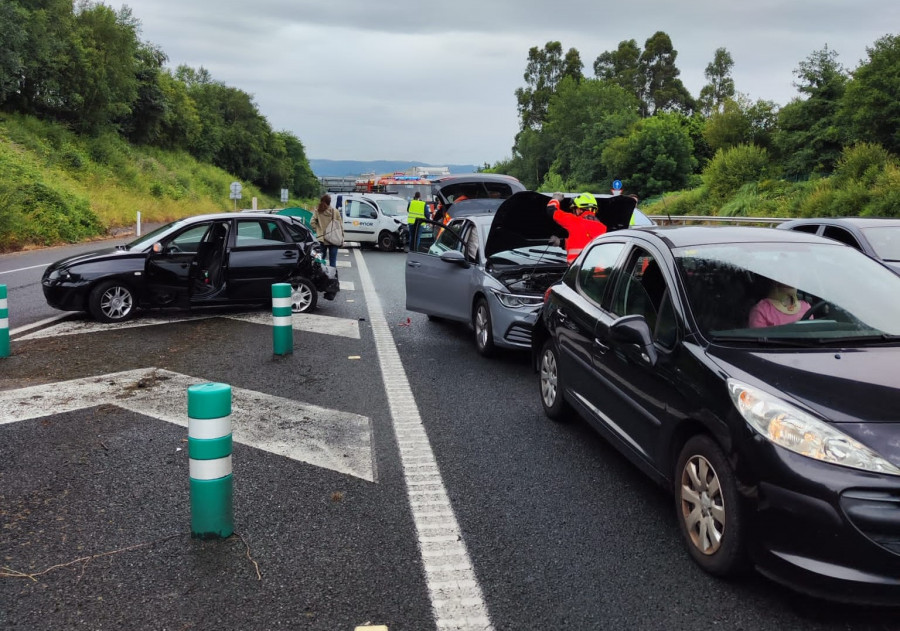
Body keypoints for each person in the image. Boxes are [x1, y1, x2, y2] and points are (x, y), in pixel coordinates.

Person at [547, 193, 608, 263]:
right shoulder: (603, 228)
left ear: (580, 209)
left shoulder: (574, 222)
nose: (574, 212)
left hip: (578, 272)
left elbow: (552, 211)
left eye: (574, 209)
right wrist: (561, 243)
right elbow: (581, 244)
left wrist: (555, 199)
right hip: (599, 271)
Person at [310, 193, 343, 267]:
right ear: (329, 202)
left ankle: (321, 276)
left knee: (320, 260)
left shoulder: (318, 211)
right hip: (334, 239)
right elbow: (340, 226)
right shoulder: (335, 211)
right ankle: (332, 277)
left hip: (321, 239)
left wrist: (318, 230)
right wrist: (342, 238)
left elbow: (312, 222)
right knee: (333, 261)